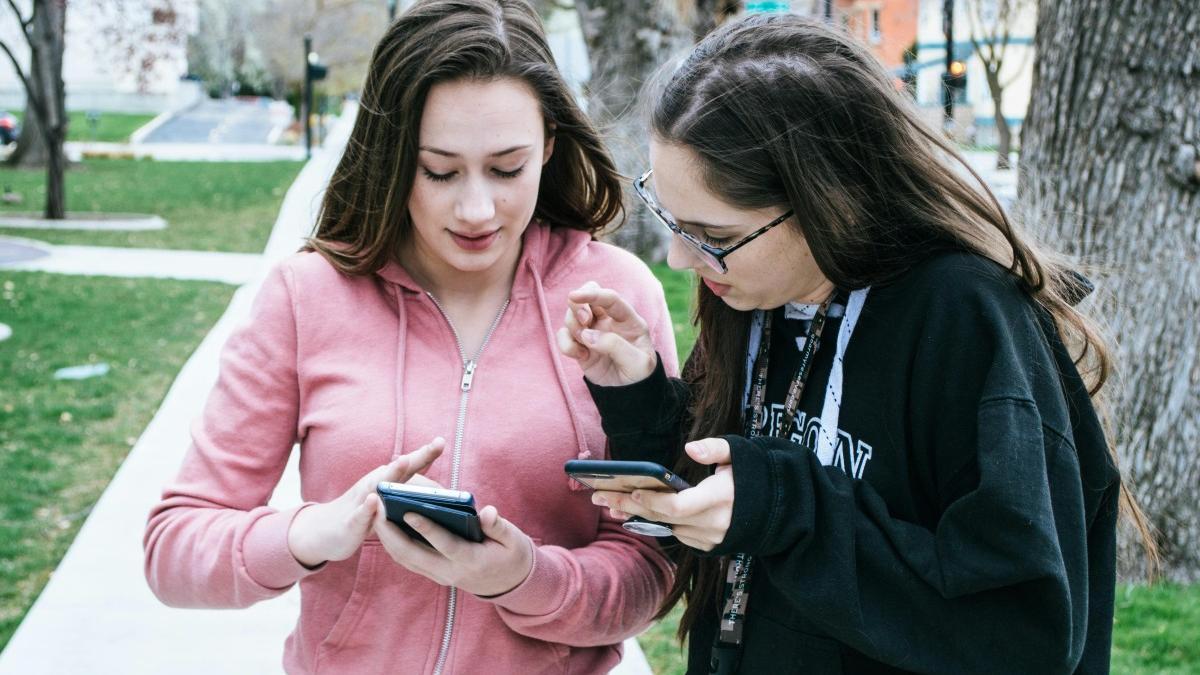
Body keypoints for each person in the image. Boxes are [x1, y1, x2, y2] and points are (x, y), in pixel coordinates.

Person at [558, 14, 1156, 675]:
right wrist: (639, 394)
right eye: (671, 220)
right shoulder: (754, 292)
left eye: (712, 234)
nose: (678, 258)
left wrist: (787, 507)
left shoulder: (964, 319)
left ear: (829, 200)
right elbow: (727, 494)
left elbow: (1021, 631)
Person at [144, 1, 678, 673]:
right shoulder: (306, 295)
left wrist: (522, 577)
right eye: (440, 170)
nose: (478, 208)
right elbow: (173, 549)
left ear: (548, 143)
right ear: (393, 158)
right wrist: (312, 532)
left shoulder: (616, 299)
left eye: (508, 167)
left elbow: (655, 565)